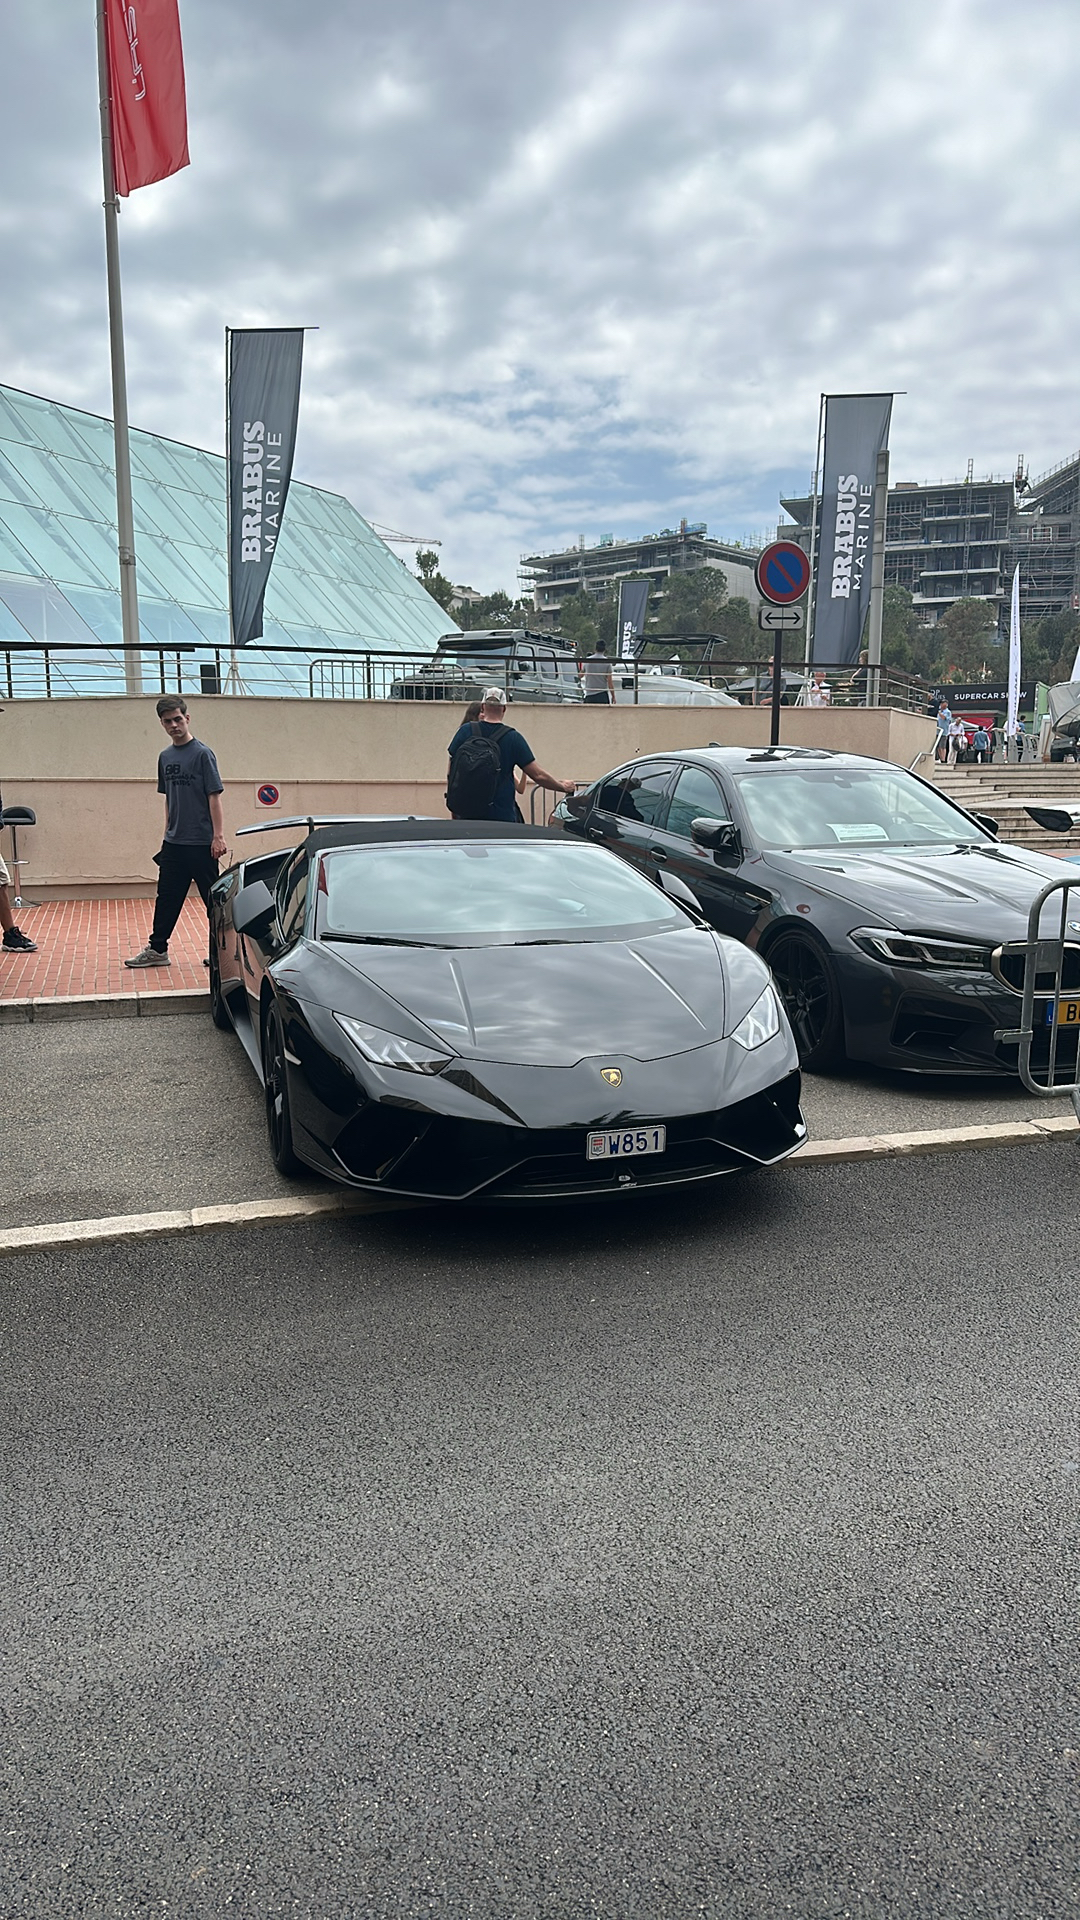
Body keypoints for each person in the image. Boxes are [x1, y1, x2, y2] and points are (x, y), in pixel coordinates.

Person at [125, 695, 226, 968]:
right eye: (168, 721)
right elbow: (169, 798)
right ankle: (158, 950)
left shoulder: (203, 754)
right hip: (174, 844)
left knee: (213, 902)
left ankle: (222, 954)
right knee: (167, 898)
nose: (174, 725)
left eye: (178, 719)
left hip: (202, 843)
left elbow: (214, 797)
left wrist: (218, 836)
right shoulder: (165, 757)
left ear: (187, 718)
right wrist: (167, 831)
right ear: (162, 724)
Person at [446, 688, 575, 822]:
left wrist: (454, 804)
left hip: (467, 814)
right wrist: (562, 787)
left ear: (483, 707)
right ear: (504, 709)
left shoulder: (464, 731)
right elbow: (538, 775)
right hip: (501, 816)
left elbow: (451, 772)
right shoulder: (513, 738)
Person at [464, 699, 528, 818]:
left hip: (472, 806)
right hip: (500, 809)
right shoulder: (509, 738)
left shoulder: (465, 734)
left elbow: (520, 788)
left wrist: (525, 770)